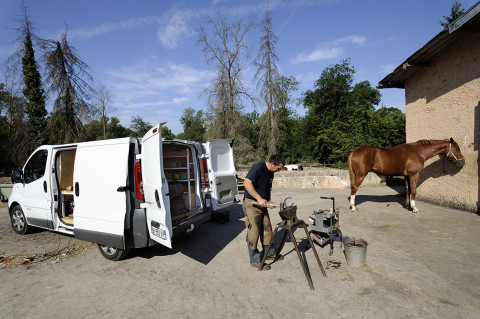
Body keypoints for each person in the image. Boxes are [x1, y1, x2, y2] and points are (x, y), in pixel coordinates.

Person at [242, 154, 286, 270]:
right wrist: (259, 198)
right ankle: (255, 259)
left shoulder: (271, 173)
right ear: (272, 163)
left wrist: (268, 201)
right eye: (278, 168)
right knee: (254, 232)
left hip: (262, 204)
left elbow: (267, 188)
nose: (279, 171)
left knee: (267, 229)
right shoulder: (258, 167)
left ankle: (269, 253)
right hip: (252, 204)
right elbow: (246, 183)